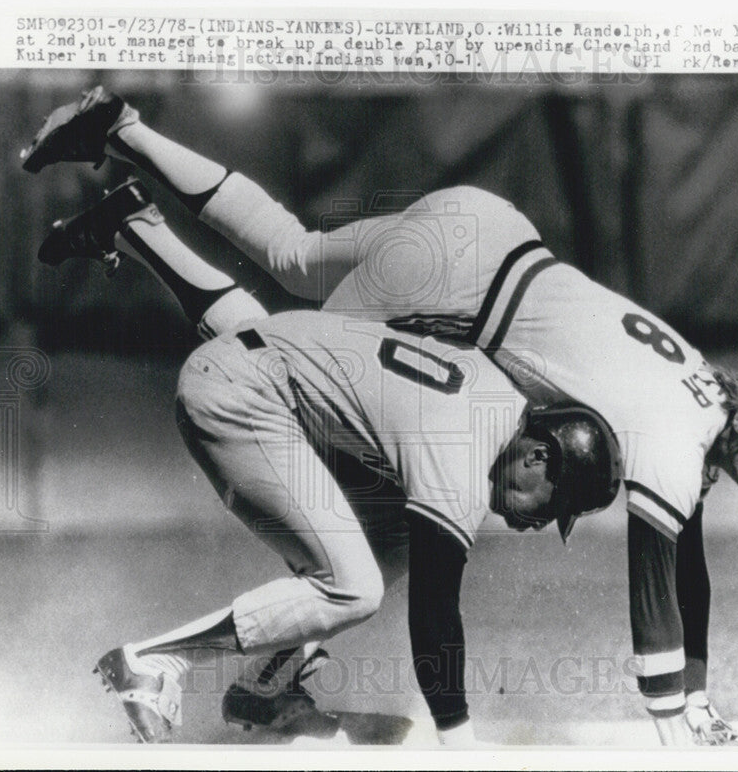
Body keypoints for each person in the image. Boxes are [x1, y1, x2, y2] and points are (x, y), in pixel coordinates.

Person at [22, 86, 738, 746]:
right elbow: (659, 588)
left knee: (296, 257)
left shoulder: (700, 388)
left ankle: (124, 134)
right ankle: (138, 224)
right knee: (297, 368)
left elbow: (688, 563)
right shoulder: (673, 440)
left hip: (487, 233)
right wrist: (675, 725)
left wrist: (702, 699)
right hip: (465, 293)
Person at [93, 307, 620, 744]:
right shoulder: (465, 459)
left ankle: (263, 688)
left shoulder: (495, 398)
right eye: (556, 505)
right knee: (354, 589)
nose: (540, 524)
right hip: (242, 396)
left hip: (255, 383)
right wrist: (459, 743)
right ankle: (156, 663)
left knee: (394, 542)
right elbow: (435, 615)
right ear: (539, 458)